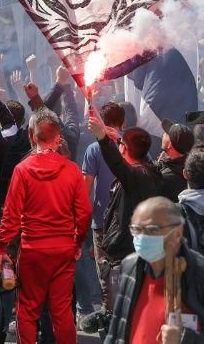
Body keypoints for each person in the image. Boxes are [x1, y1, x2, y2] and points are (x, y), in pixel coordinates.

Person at [0, 108, 92, 344]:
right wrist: (77, 241)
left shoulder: (23, 170)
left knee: (27, 312)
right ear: (58, 138)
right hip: (63, 250)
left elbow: (11, 215)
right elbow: (85, 212)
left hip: (33, 251)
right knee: (62, 312)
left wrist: (1, 248)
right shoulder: (71, 170)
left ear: (31, 135)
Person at [88, 110, 162, 313]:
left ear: (127, 149)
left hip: (127, 258)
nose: (118, 147)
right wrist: (118, 138)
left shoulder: (137, 175)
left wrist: (103, 139)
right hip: (135, 255)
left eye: (121, 145)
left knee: (122, 315)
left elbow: (117, 164)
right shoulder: (150, 170)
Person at [104, 197, 204, 344]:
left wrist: (186, 339)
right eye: (136, 229)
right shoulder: (130, 266)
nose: (142, 237)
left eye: (152, 230)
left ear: (177, 232)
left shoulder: (198, 273)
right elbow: (116, 331)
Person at [82, 101, 126, 318]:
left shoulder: (94, 149)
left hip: (102, 224)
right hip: (127, 223)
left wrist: (82, 221)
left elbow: (85, 190)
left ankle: (111, 325)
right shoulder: (130, 144)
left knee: (107, 280)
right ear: (123, 122)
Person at [157, 121, 193, 202]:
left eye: (166, 134)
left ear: (170, 144)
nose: (163, 135)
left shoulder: (165, 178)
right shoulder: (193, 167)